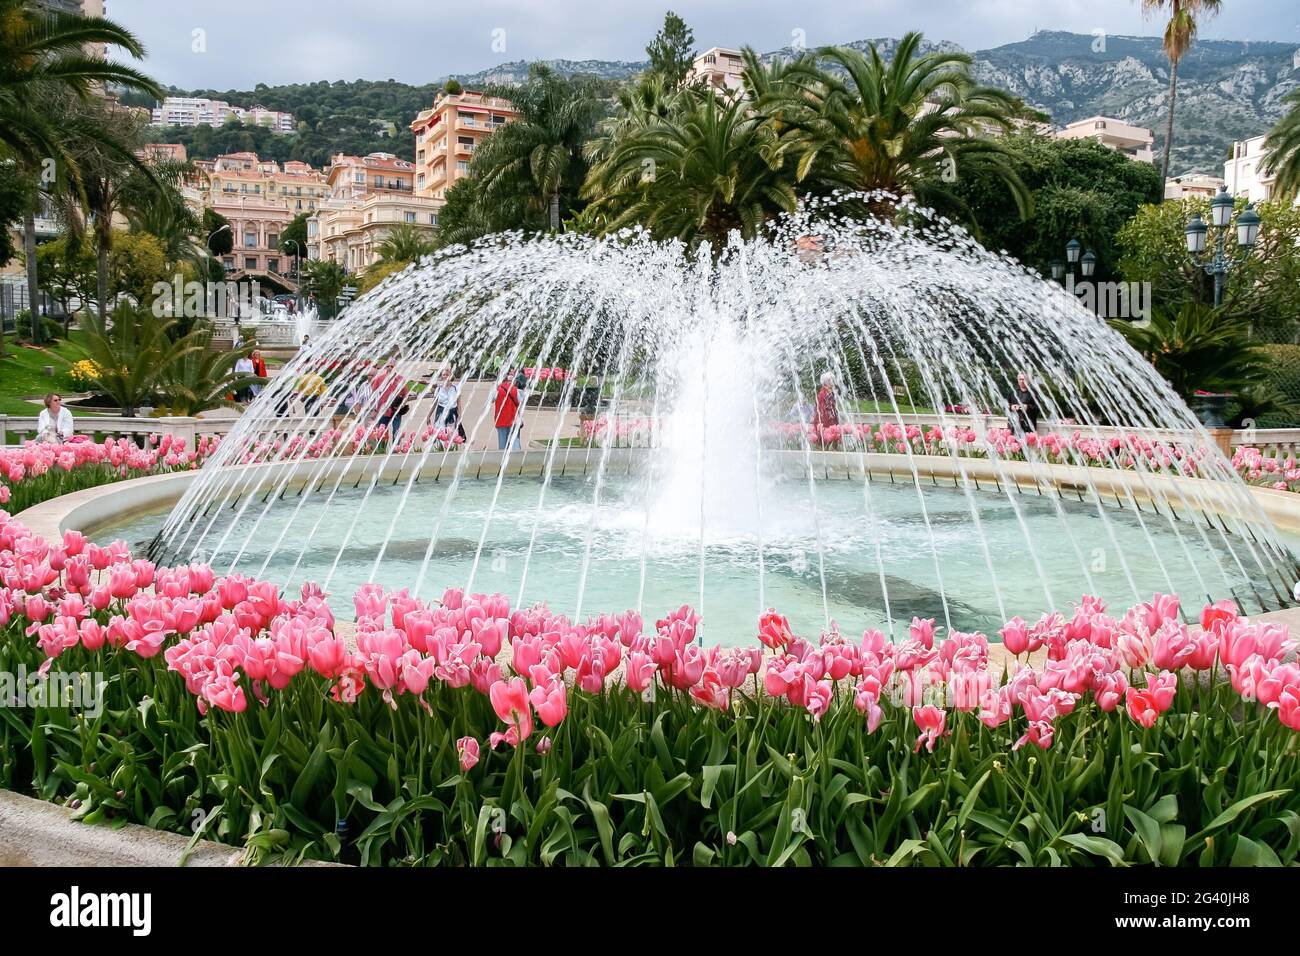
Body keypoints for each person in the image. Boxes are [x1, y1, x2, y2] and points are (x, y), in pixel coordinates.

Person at [433, 365, 466, 441]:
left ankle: (451, 449)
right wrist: (428, 416)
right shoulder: (438, 389)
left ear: (450, 376)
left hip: (452, 413)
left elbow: (459, 403)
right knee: (440, 434)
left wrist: (460, 416)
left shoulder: (456, 388)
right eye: (443, 375)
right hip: (441, 413)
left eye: (447, 375)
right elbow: (434, 404)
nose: (445, 376)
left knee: (452, 435)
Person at [494, 370, 523, 450]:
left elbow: (491, 399)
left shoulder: (497, 390)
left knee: (502, 443)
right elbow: (521, 402)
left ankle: (502, 459)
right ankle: (516, 458)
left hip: (500, 420)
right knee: (514, 441)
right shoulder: (516, 391)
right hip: (513, 420)